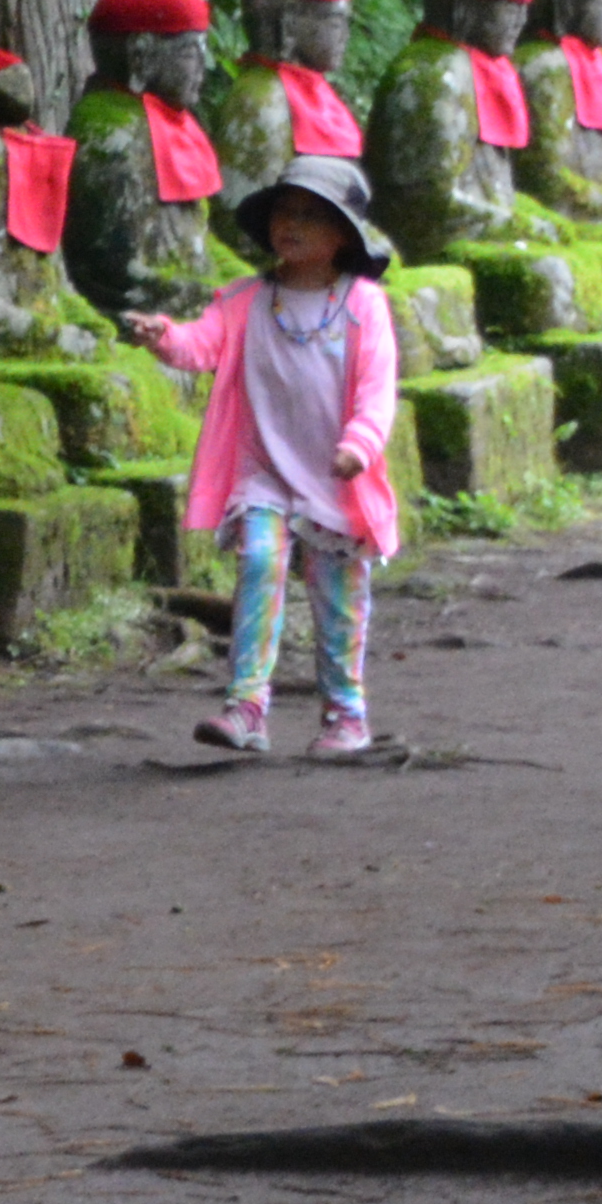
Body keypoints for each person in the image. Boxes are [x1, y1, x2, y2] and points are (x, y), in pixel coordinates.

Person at [135, 152, 401, 759]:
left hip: (336, 479)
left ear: (342, 235)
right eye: (285, 211)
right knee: (259, 563)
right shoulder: (247, 299)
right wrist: (165, 338)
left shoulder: (363, 305)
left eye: (311, 215)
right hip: (264, 472)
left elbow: (377, 390)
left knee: (338, 595)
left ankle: (345, 714)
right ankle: (246, 705)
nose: (293, 224)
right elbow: (200, 346)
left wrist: (360, 445)